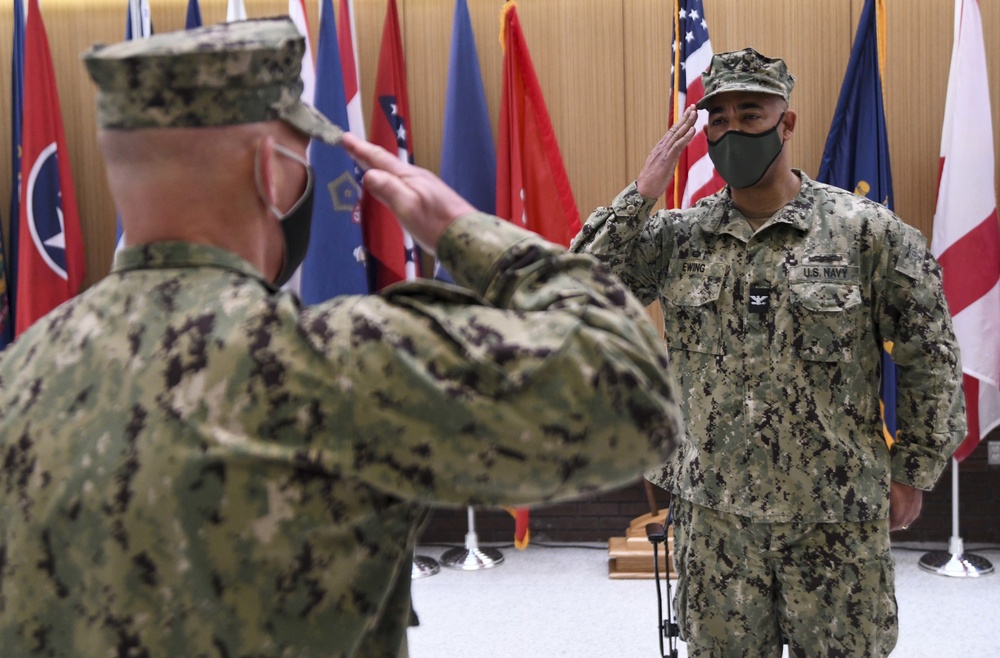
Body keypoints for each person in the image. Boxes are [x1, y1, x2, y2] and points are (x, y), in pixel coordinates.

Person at [0, 19, 684, 658]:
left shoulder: (18, 377)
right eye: (305, 155)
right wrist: (466, 232)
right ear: (272, 170)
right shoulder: (335, 366)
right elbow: (632, 392)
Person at [572, 47, 966, 657]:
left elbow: (930, 356)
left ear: (787, 123)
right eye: (719, 119)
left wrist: (913, 470)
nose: (731, 131)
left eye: (749, 115)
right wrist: (641, 193)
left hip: (833, 517)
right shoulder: (679, 237)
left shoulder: (865, 232)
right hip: (716, 518)